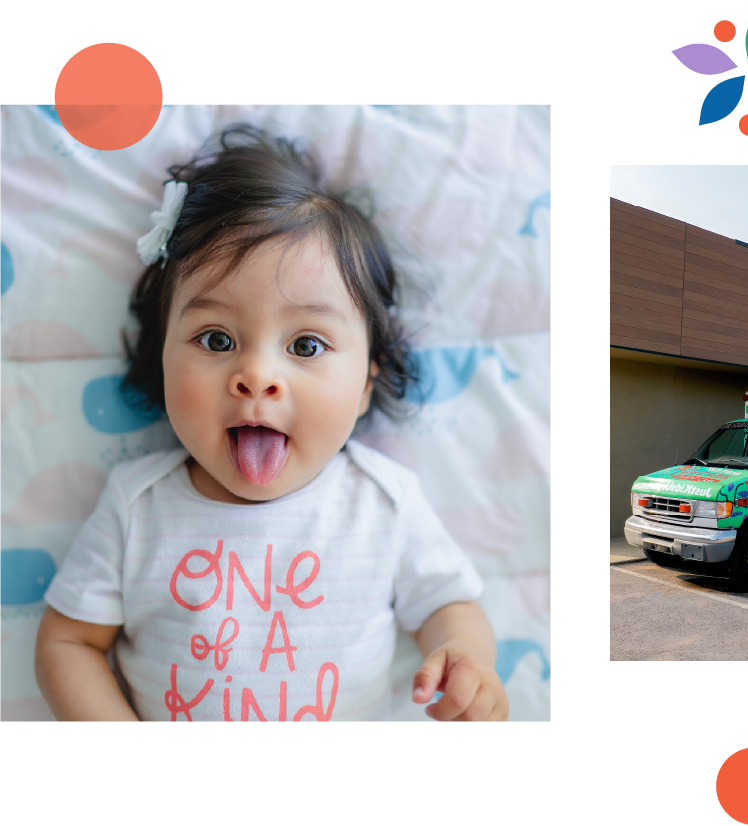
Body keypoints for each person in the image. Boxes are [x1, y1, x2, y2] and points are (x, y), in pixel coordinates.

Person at [34, 124, 507, 742]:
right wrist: (117, 749)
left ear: (365, 383)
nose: (256, 375)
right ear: (162, 358)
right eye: (216, 340)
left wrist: (465, 655)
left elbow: (449, 605)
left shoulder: (383, 501)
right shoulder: (137, 505)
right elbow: (69, 639)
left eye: (306, 345)